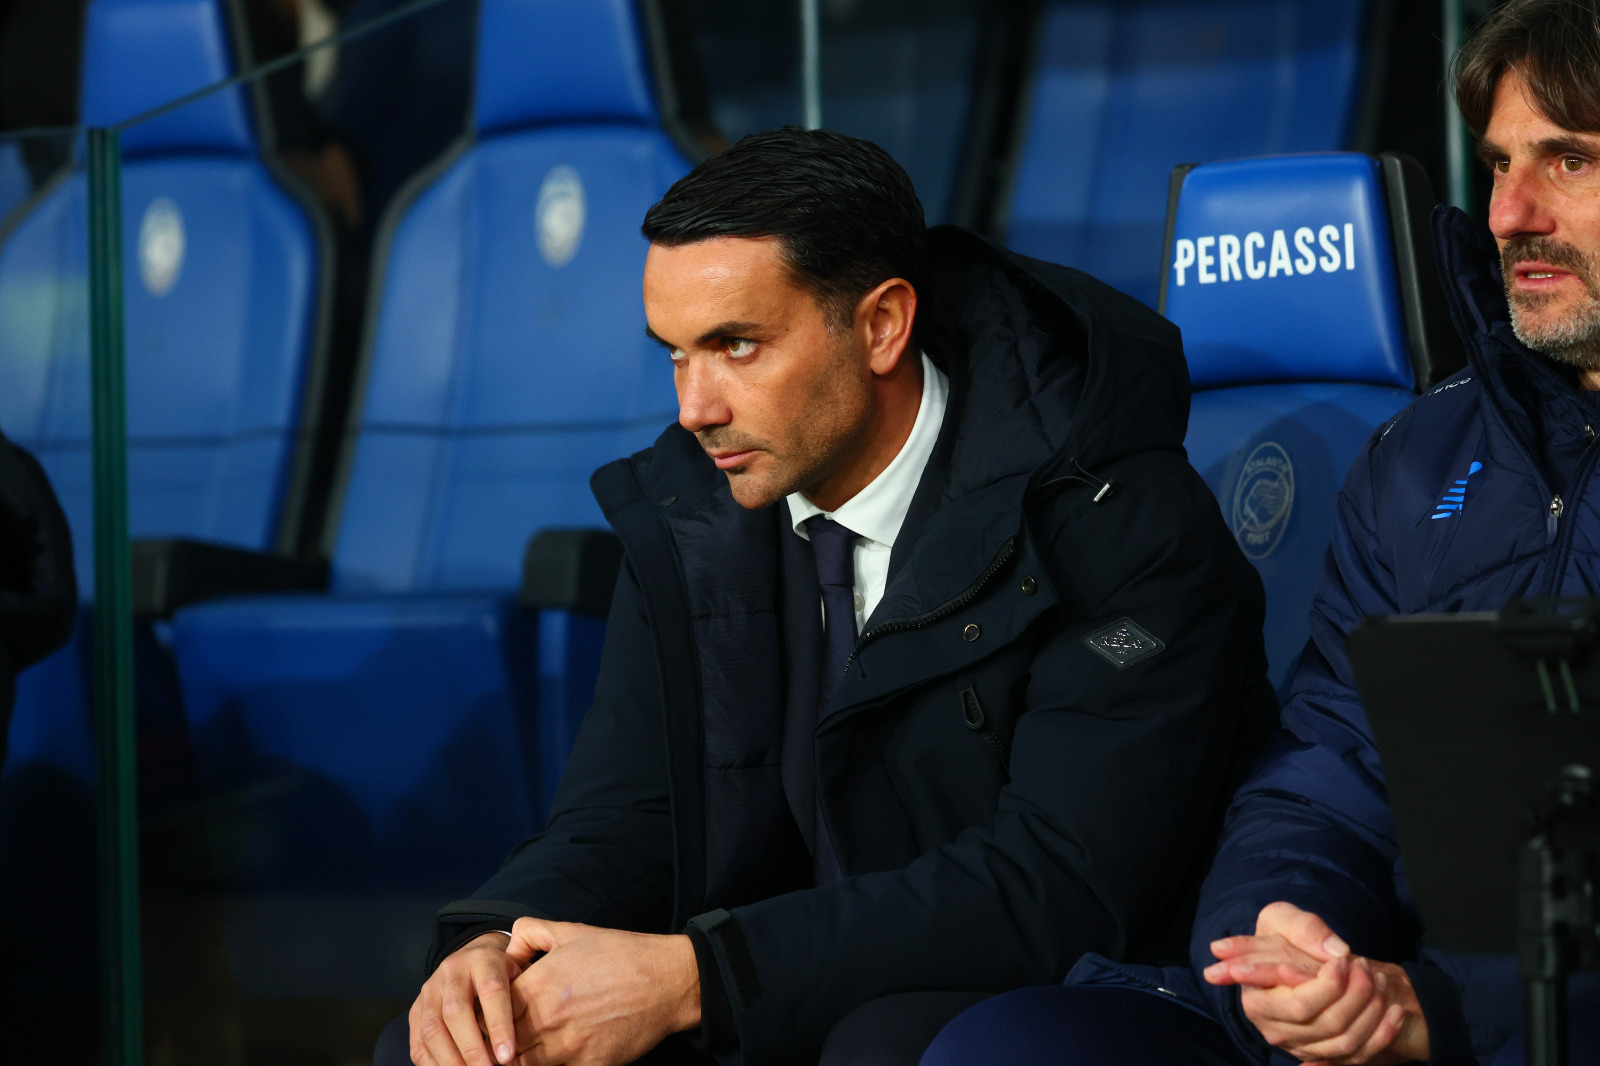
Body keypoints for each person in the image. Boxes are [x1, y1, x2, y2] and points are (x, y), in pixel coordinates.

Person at [377, 126, 1276, 1066]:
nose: (695, 409)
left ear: (882, 326)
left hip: (1074, 992)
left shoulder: (1113, 517)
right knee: (453, 1046)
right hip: (784, 973)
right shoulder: (694, 514)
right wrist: (496, 943)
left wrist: (700, 977)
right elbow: (631, 817)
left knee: (877, 1046)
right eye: (675, 355)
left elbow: (1057, 885)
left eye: (736, 346)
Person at [921, 2, 1600, 1064]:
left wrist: (1446, 1014)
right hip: (1386, 1008)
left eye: (1568, 161)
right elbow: (1330, 770)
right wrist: (1281, 946)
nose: (1508, 213)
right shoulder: (1416, 457)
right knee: (1007, 1046)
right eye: (1499, 164)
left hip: (1510, 1020)